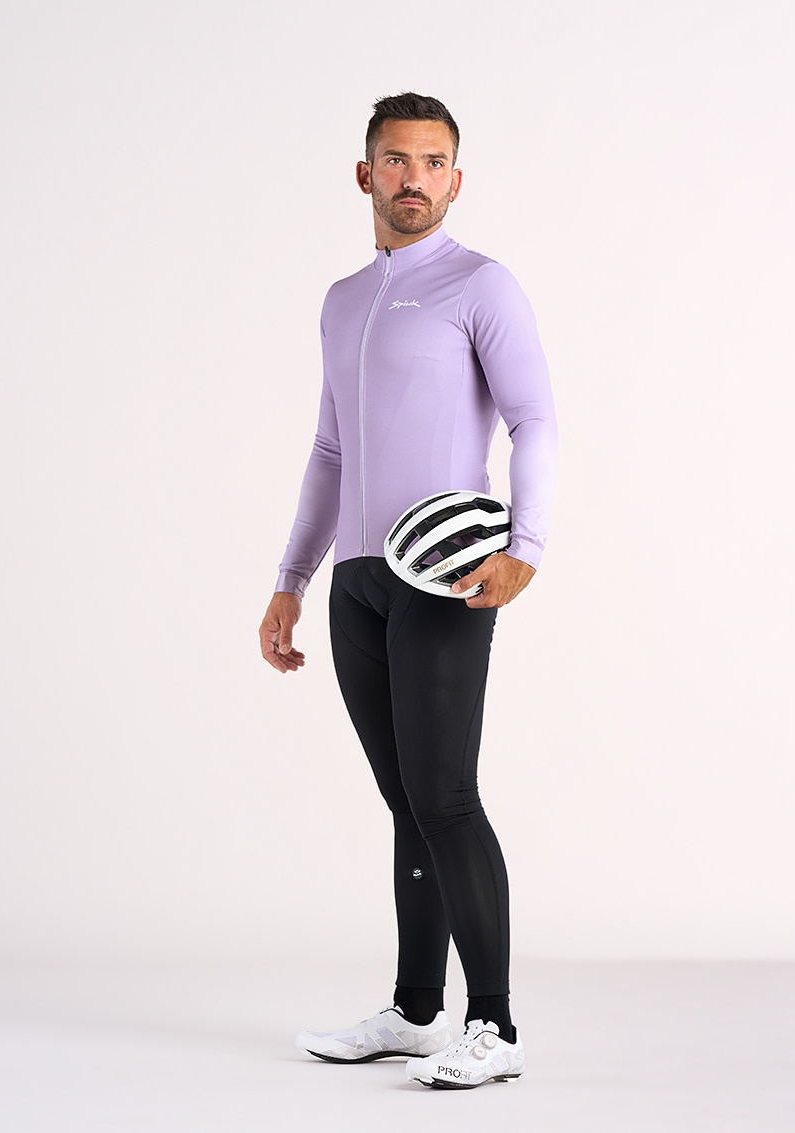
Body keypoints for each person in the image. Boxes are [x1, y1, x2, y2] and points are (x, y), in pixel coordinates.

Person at [257, 92, 558, 1089]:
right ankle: (417, 1010)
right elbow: (328, 448)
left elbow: (533, 418)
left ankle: (495, 1026)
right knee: (404, 802)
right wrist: (291, 580)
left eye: (432, 162)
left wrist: (526, 545)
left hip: (442, 574)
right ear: (365, 174)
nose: (413, 178)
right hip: (357, 582)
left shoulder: (480, 284)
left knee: (446, 797)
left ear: (455, 180)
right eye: (395, 159)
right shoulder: (342, 299)